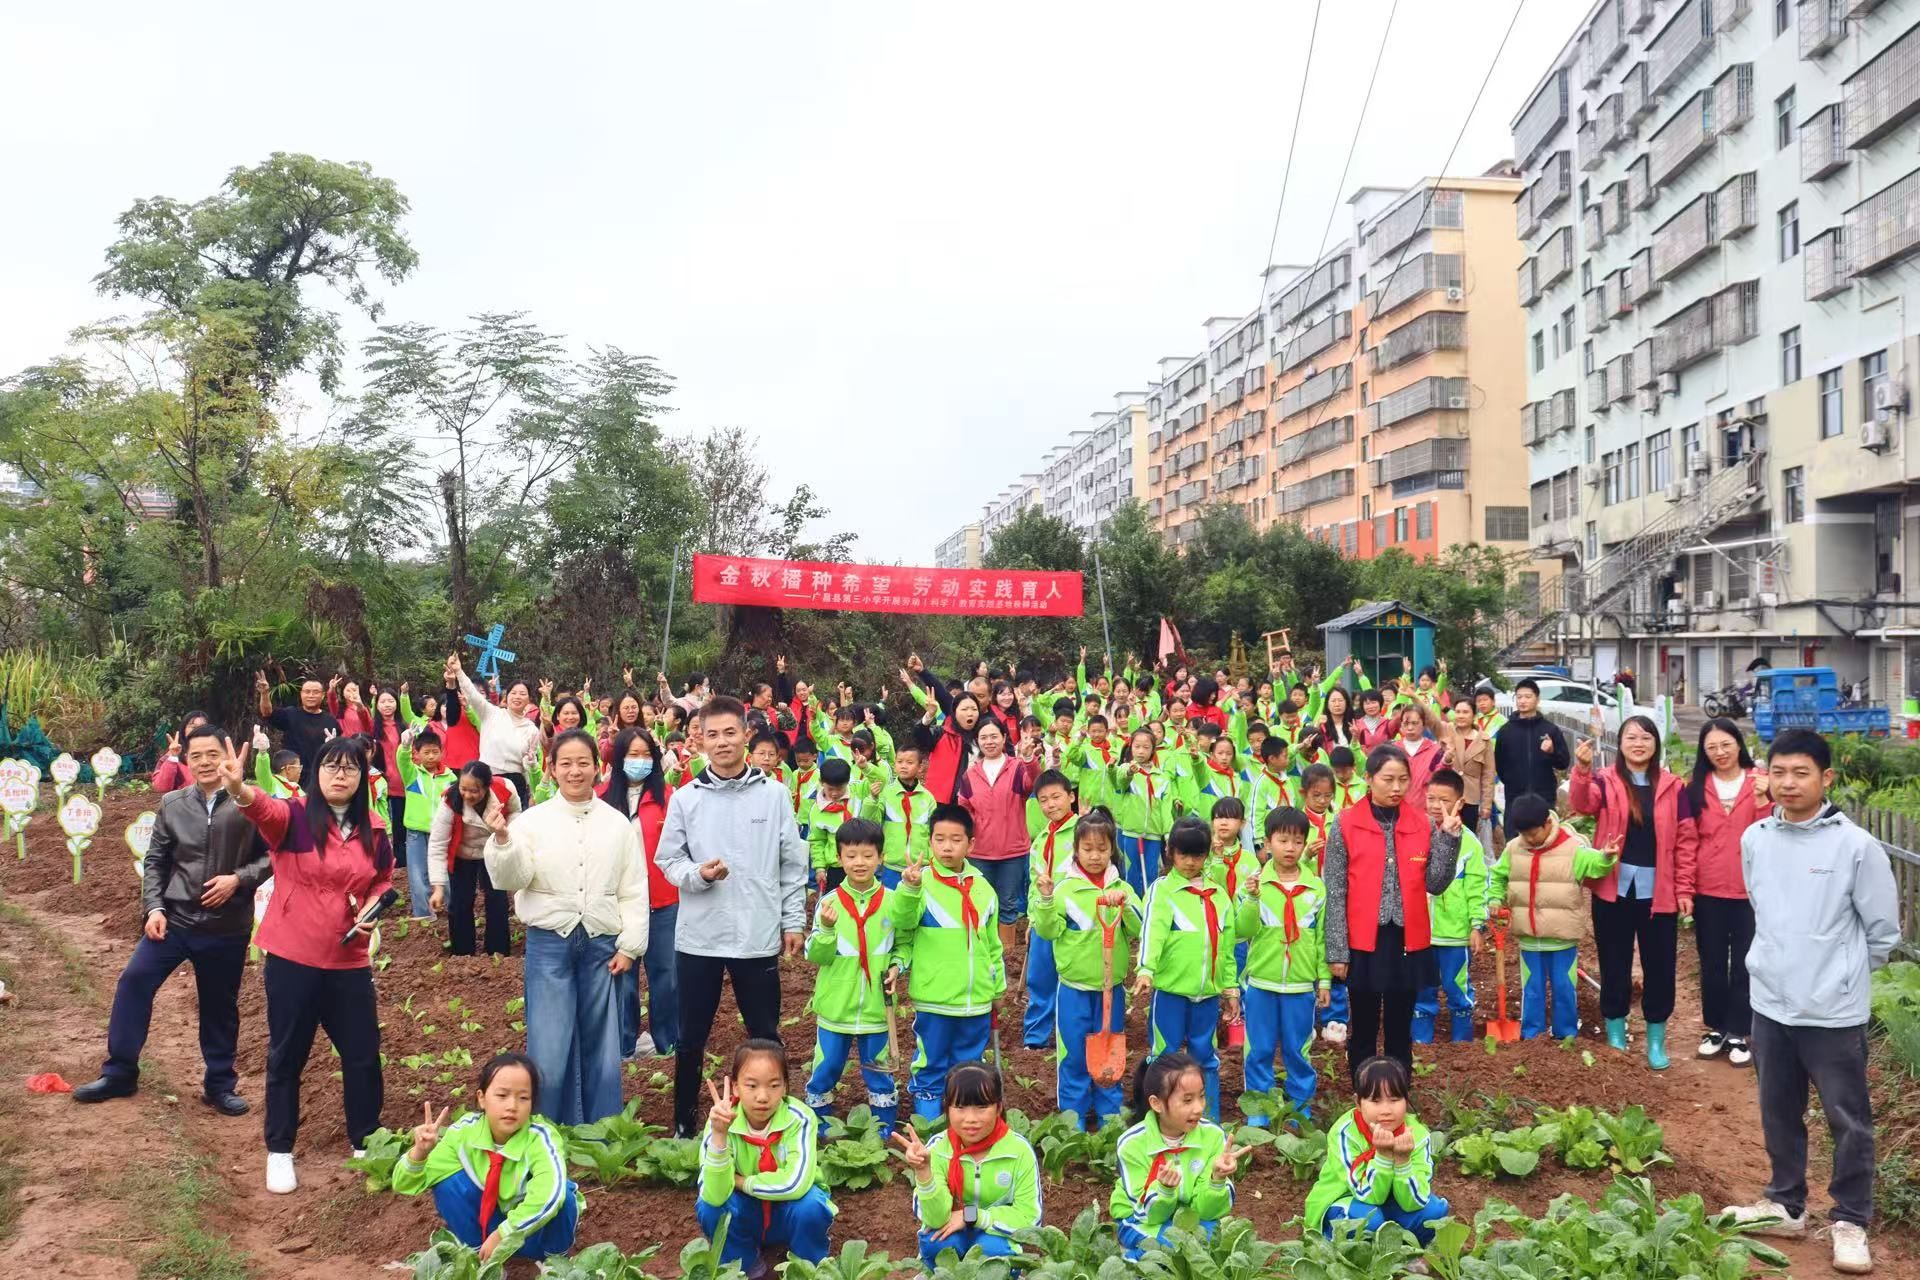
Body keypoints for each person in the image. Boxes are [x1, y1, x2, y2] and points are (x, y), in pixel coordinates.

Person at [1723, 729, 1900, 1276]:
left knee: (1848, 1119)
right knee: (1779, 1111)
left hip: (1832, 1011)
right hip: (1771, 1003)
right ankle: (1785, 1203)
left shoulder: (1855, 847)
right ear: (1767, 777)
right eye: (1779, 772)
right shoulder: (1756, 839)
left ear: (1826, 779)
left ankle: (1850, 1219)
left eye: (1801, 773)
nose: (1788, 783)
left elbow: (1882, 932)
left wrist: (1837, 974)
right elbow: (1764, 907)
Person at [220, 734, 391, 1195]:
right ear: (315, 773)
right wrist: (240, 789)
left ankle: (366, 1142)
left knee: (361, 1053)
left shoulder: (374, 829)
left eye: (351, 768)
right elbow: (262, 809)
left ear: (361, 777)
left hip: (348, 957)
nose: (341, 775)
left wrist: (370, 912)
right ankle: (280, 1149)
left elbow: (381, 880)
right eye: (332, 766)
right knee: (287, 1054)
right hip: (294, 957)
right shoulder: (293, 819)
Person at [75, 724, 270, 1114]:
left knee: (219, 1006)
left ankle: (219, 1085)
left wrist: (238, 879)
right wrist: (155, 908)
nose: (204, 762)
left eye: (212, 754)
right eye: (195, 756)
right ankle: (120, 1073)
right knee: (134, 982)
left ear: (227, 756)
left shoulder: (251, 804)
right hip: (176, 920)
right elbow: (156, 861)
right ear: (187, 760)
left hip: (226, 925)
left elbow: (273, 855)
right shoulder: (174, 803)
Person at [657, 696, 810, 1138]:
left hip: (756, 934)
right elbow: (668, 860)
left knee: (764, 1032)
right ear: (698, 740)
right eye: (712, 734)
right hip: (699, 938)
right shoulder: (686, 799)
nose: (722, 742)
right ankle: (684, 1126)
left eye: (730, 733)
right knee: (690, 1038)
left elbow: (791, 864)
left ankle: (777, 1124)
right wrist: (698, 875)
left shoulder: (775, 794)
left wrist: (793, 921)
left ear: (747, 734)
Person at [484, 728, 649, 1126]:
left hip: (601, 943)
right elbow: (512, 878)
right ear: (552, 769)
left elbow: (633, 888)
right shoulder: (532, 822)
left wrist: (630, 946)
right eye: (566, 763)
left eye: (583, 763)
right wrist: (504, 840)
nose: (575, 771)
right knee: (550, 1039)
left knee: (601, 1038)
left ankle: (601, 1126)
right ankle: (548, 1127)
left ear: (598, 767)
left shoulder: (617, 824)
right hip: (549, 943)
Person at [1321, 744, 1465, 1085]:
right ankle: (1363, 1090)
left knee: (1401, 1024)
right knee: (1365, 1023)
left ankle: (1399, 1093)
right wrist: (1337, 951)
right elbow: (1336, 890)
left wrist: (1449, 837)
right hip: (1363, 940)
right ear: (1369, 779)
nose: (1397, 787)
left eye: (1403, 779)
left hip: (1407, 939)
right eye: (1388, 779)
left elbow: (1436, 883)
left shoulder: (1422, 824)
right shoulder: (1345, 823)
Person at [1569, 715, 1697, 1069]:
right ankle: (1616, 1034)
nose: (1638, 743)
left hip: (1660, 890)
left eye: (1645, 737)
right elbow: (1582, 804)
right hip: (1614, 887)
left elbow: (1686, 840)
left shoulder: (1674, 787)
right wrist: (1581, 769)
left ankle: (1656, 1039)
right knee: (1614, 963)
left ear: (1656, 744)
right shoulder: (1606, 780)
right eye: (1630, 737)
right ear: (1620, 743)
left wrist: (1685, 887)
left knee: (1660, 966)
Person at [392, 1052, 581, 1262]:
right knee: (447, 1184)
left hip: (533, 1233)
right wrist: (420, 1152)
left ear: (532, 1103)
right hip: (487, 1232)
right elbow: (403, 1184)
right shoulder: (463, 1134)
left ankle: (555, 1264)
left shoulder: (541, 1138)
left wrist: (505, 1232)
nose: (512, 1106)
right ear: (482, 1098)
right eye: (502, 1095)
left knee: (563, 1193)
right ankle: (479, 1260)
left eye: (523, 1098)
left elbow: (549, 1194)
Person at [893, 803, 1006, 1120]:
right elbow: (902, 922)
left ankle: (964, 1117)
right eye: (939, 839)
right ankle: (928, 1117)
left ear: (970, 844)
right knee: (932, 1060)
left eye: (955, 839)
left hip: (977, 999)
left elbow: (992, 946)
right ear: (929, 842)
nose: (947, 846)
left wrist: (997, 988)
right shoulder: (922, 884)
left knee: (969, 1063)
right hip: (936, 998)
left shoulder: (983, 888)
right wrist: (909, 888)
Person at [1030, 811, 1141, 1130]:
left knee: (1110, 1056)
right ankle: (1073, 1122)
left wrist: (1125, 906)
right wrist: (1047, 899)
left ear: (1112, 851)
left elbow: (1137, 928)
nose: (1095, 855)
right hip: (1074, 990)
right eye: (1088, 848)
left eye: (1102, 849)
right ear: (1076, 849)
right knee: (1074, 1056)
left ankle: (1108, 1120)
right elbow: (1049, 932)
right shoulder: (1065, 891)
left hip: (1111, 990)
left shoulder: (1122, 887)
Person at [1488, 793, 1618, 1040]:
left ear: (1548, 823)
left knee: (1564, 988)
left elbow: (1595, 864)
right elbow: (1497, 876)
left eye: (1533, 833)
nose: (1529, 839)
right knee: (1532, 989)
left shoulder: (1572, 848)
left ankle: (1566, 1034)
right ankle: (1532, 1035)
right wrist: (1495, 899)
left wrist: (1606, 857)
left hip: (1562, 939)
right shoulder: (1514, 849)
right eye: (1523, 834)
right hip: (1529, 938)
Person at [697, 1040, 834, 1270]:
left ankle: (809, 1267)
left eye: (773, 1085)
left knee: (812, 1205)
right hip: (745, 1213)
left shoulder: (800, 1118)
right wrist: (719, 1136)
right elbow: (713, 1195)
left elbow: (796, 1183)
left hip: (787, 1211)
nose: (762, 1096)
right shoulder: (720, 1120)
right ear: (736, 1088)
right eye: (751, 1086)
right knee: (710, 1208)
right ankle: (743, 1265)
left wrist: (742, 1182)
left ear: (785, 1087)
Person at [1135, 816, 1239, 1119]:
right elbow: (1152, 933)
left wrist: (1230, 988)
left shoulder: (1218, 896)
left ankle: (1208, 1119)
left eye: (1197, 855)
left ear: (1207, 855)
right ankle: (1155, 1120)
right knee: (1163, 1058)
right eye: (1184, 855)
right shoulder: (1162, 891)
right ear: (1170, 852)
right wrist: (1146, 969)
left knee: (1205, 1056)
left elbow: (1227, 947)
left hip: (1206, 994)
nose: (1190, 862)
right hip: (1170, 992)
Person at [1678, 717, 1768, 1067]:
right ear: (1704, 752)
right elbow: (1686, 842)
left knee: (1747, 964)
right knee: (1712, 963)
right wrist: (1685, 888)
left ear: (1738, 744)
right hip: (1709, 889)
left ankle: (1739, 1031)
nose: (1720, 752)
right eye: (1712, 747)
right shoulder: (1694, 789)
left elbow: (1771, 830)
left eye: (1726, 744)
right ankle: (1716, 1027)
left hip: (1751, 891)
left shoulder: (1760, 782)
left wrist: (1762, 800)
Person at [892, 1061, 1041, 1268]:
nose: (970, 1119)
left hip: (994, 1231)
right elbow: (935, 1220)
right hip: (952, 1228)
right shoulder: (938, 1148)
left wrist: (972, 1216)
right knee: (938, 1244)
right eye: (960, 1107)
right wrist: (924, 1172)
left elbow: (1030, 1216)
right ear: (947, 1108)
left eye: (982, 1107)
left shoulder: (1018, 1151)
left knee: (993, 1252)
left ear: (999, 1107)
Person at [803, 818, 899, 1134]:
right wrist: (827, 930)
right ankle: (820, 1126)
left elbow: (905, 944)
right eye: (852, 855)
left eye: (868, 855)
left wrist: (898, 964)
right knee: (827, 1066)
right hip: (836, 1006)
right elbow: (816, 956)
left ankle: (883, 1129)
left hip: (876, 1007)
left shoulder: (892, 902)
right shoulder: (828, 903)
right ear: (839, 857)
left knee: (878, 1069)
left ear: (881, 857)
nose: (860, 863)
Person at [1236, 807, 1330, 1122]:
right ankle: (1259, 1112)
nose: (1290, 848)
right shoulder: (1255, 883)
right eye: (1283, 840)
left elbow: (1321, 938)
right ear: (1268, 842)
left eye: (1297, 841)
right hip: (1262, 982)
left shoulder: (1316, 888)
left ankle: (1300, 1110)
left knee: (1298, 1051)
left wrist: (1325, 980)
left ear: (1305, 844)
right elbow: (1242, 931)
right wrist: (1250, 899)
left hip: (1301, 984)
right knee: (1259, 1050)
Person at [1110, 1052, 1246, 1260]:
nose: (1199, 1108)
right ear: (1156, 1104)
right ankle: (1132, 1262)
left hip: (1192, 1216)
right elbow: (1147, 1214)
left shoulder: (1213, 1136)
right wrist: (1164, 1191)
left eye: (1201, 1096)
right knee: (1166, 1247)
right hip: (1141, 1219)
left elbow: (1209, 1213)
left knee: (1212, 1245)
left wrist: (1217, 1179)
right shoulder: (1132, 1145)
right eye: (1187, 1100)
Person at [1303, 1055, 1450, 1245]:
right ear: (1358, 1102)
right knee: (1370, 1220)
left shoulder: (1418, 1136)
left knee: (1434, 1211)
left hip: (1392, 1203)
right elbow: (1367, 1195)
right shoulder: (1345, 1133)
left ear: (1406, 1100)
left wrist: (1403, 1162)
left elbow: (1414, 1201)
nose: (1386, 1110)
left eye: (1395, 1099)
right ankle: (1332, 1241)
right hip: (1348, 1200)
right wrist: (1383, 1156)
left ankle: (1406, 1253)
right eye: (1375, 1100)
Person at [599, 726, 679, 1059]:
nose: (640, 761)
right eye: (633, 754)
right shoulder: (601, 797)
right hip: (618, 904)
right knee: (622, 978)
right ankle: (623, 1045)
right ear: (619, 759)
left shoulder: (670, 797)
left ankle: (667, 1042)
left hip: (663, 900)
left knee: (666, 976)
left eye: (647, 755)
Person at [1411, 769, 1490, 1045]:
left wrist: (1477, 924)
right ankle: (1420, 1045)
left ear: (1460, 803)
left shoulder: (1470, 844)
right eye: (1431, 798)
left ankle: (1462, 1043)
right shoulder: (1417, 834)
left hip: (1454, 934)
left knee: (1457, 988)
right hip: (1420, 933)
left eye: (1443, 800)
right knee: (1422, 990)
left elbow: (1478, 887)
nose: (1435, 805)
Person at [956, 718, 1039, 957]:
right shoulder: (971, 774)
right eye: (984, 737)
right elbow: (964, 807)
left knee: (1008, 904)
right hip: (980, 851)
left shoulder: (1016, 768)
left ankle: (1007, 954)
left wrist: (1029, 758)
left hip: (1012, 850)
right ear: (977, 741)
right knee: (981, 901)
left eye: (994, 736)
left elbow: (1031, 784)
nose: (989, 742)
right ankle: (983, 951)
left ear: (1004, 738)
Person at [428, 760, 521, 957]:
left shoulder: (505, 789)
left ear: (487, 787)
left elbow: (515, 811)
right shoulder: (450, 801)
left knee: (497, 899)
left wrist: (507, 831)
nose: (468, 795)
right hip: (464, 853)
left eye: (474, 790)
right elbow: (437, 843)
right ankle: (462, 953)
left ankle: (498, 951)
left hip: (492, 851)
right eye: (464, 789)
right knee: (461, 901)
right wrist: (438, 887)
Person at [1021, 768, 1080, 1049]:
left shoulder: (1084, 832)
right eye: (1043, 800)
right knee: (1040, 977)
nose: (1050, 805)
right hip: (1045, 915)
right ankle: (1036, 1037)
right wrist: (1032, 917)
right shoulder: (1041, 839)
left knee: (1073, 978)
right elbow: (1034, 882)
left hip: (1076, 919)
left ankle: (1070, 1034)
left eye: (1056, 797)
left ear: (1071, 797)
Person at [451, 655, 542, 806]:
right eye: (513, 693)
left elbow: (530, 765)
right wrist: (459, 671)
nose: (517, 697)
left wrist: (532, 792)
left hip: (516, 784)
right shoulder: (491, 714)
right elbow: (472, 694)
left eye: (522, 693)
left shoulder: (532, 730)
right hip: (486, 779)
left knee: (512, 826)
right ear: (507, 697)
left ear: (529, 699)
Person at [1109, 728, 1178, 899]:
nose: (1141, 751)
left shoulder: (1161, 778)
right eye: (1137, 746)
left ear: (1153, 750)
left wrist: (1168, 835)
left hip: (1154, 835)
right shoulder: (1126, 769)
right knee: (1131, 873)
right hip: (1131, 833)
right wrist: (1130, 773)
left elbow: (1165, 810)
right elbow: (1120, 782)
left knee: (1151, 872)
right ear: (1131, 747)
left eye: (1146, 747)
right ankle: (1131, 909)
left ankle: (1149, 904)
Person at [396, 726, 456, 921]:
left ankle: (448, 911)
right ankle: (423, 915)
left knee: (444, 873)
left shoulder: (451, 778)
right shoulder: (413, 774)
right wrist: (404, 746)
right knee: (417, 874)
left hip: (442, 832)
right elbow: (402, 760)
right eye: (426, 753)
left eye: (435, 752)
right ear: (418, 754)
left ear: (442, 752)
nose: (431, 757)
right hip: (416, 832)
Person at [1492, 679, 1569, 807]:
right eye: (1519, 697)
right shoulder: (1506, 731)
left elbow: (1563, 763)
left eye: (1528, 697)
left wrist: (1551, 752)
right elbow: (1499, 763)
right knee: (1514, 827)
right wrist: (1512, 782)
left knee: (1544, 826)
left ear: (1537, 699)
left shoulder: (1550, 730)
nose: (1522, 701)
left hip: (1544, 795)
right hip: (1515, 797)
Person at [254, 670, 342, 777]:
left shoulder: (331, 721)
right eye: (307, 691)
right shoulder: (290, 714)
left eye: (315, 692)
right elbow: (267, 712)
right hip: (292, 775)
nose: (311, 695)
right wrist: (264, 693)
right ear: (301, 694)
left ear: (323, 695)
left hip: (320, 776)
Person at [148, 711, 212, 793]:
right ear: (184, 730)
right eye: (193, 727)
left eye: (203, 727)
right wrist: (173, 757)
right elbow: (161, 788)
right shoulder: (171, 757)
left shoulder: (217, 753)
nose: (198, 731)